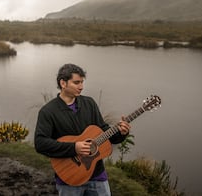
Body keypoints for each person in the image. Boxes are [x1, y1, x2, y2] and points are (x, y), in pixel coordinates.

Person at [34, 63, 131, 196]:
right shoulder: (48, 111)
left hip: (97, 176)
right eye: (77, 82)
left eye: (82, 82)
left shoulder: (89, 103)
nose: (81, 87)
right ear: (63, 83)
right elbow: (40, 143)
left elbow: (103, 131)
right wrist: (74, 147)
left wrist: (121, 133)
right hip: (70, 177)